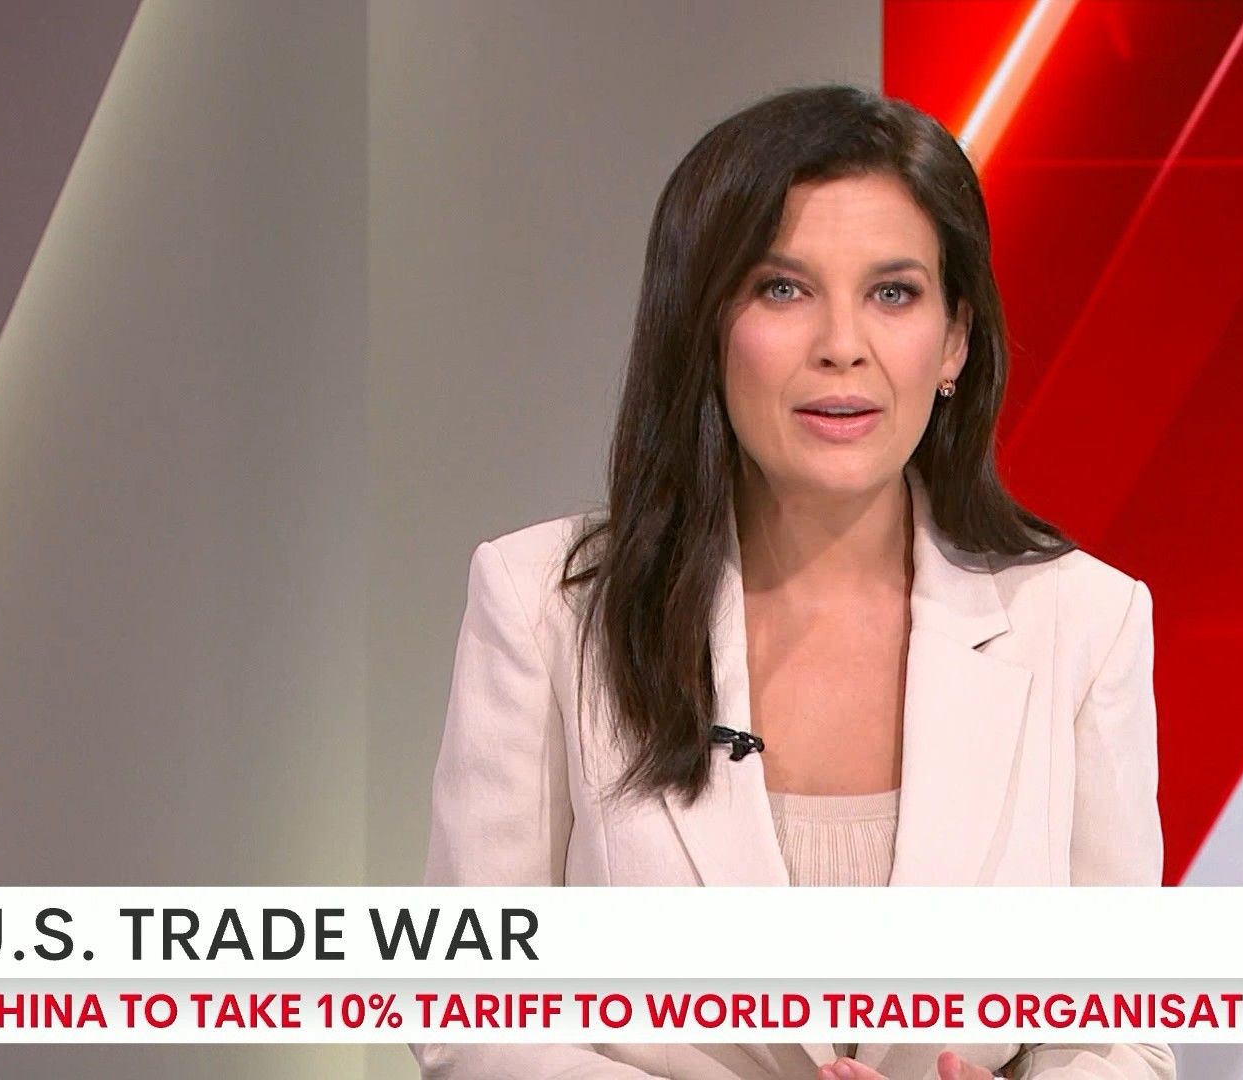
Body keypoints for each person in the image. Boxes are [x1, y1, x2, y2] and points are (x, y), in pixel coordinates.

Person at [413, 84, 1171, 1080]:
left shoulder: (1083, 619)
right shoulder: (545, 606)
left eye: (893, 293)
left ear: (954, 339)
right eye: (783, 289)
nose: (841, 345)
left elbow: (1118, 1036)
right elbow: (473, 1017)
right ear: (705, 325)